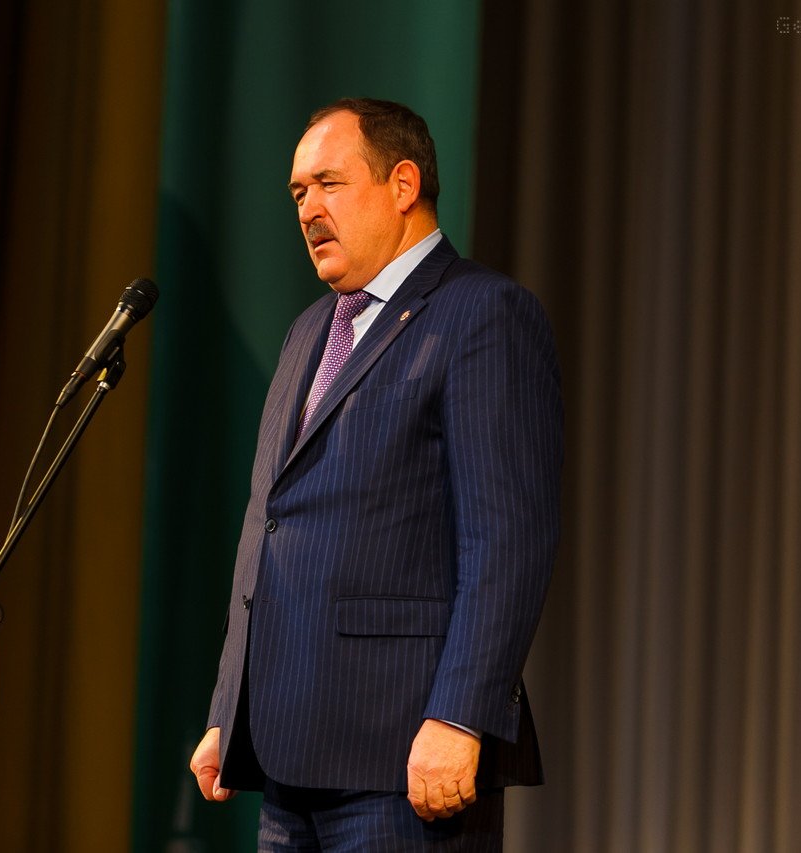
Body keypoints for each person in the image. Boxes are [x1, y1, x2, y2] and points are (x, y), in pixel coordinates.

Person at [189, 97, 563, 851]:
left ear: (403, 184)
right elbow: (269, 521)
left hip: (404, 759)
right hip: (287, 757)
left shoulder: (482, 313)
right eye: (298, 192)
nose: (307, 209)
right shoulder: (308, 332)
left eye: (329, 183)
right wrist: (230, 706)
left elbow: (506, 540)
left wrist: (461, 715)